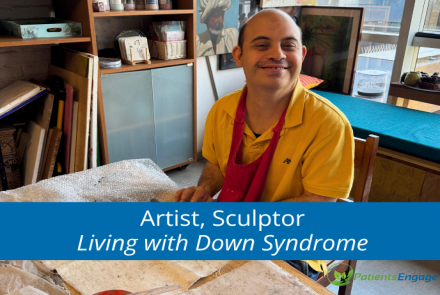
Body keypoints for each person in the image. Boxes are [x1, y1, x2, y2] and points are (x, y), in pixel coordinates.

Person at [176, 10, 354, 280]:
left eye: (288, 45)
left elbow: (318, 203)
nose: (277, 54)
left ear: (302, 55)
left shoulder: (328, 124)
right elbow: (216, 165)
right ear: (238, 56)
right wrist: (204, 190)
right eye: (261, 45)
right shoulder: (221, 110)